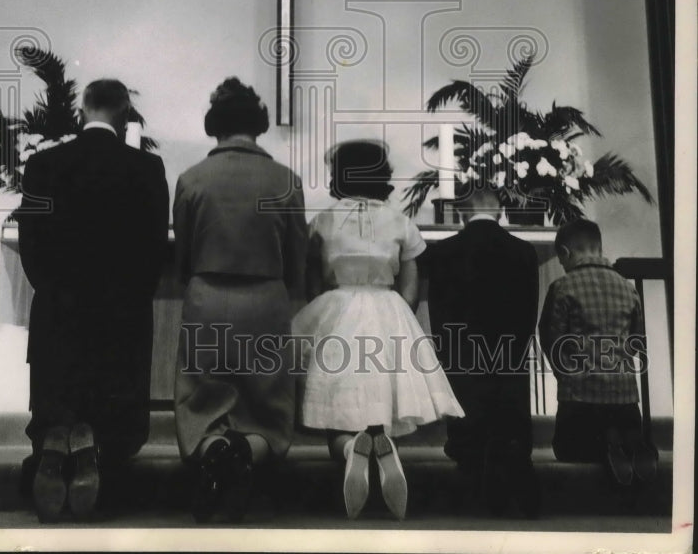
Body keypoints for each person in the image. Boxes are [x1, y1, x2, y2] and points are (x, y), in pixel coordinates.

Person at [16, 79, 170, 522]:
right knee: (114, 397)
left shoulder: (43, 164)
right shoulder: (146, 168)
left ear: (83, 110)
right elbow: (154, 247)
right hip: (120, 313)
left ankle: (55, 438)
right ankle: (97, 450)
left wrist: (51, 291)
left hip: (59, 308)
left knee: (57, 386)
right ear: (126, 117)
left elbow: (30, 243)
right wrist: (134, 300)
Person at [292, 140, 464, 521]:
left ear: (339, 176)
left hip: (335, 308)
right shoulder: (400, 221)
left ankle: (350, 446)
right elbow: (412, 286)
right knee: (383, 395)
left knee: (335, 402)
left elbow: (312, 282)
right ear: (381, 175)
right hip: (387, 307)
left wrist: (322, 313)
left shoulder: (323, 220)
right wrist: (396, 314)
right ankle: (381, 443)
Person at [172, 77, 308, 523]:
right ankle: (246, 453)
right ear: (260, 125)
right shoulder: (285, 180)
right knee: (268, 404)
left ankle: (213, 451)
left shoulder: (192, 178)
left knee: (202, 398)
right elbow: (296, 257)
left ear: (215, 125)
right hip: (266, 298)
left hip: (207, 296)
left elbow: (184, 255)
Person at [426, 183, 540, 516]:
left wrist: (445, 350)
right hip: (509, 350)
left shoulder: (444, 251)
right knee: (509, 413)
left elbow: (439, 309)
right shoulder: (524, 251)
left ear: (461, 213)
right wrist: (518, 347)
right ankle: (514, 470)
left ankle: (472, 474)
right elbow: (528, 309)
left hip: (462, 349)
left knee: (468, 412)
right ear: (501, 211)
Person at [538, 218, 657, 485]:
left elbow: (551, 339)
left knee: (566, 449)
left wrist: (565, 376)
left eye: (561, 261)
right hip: (625, 399)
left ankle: (604, 445)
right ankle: (630, 441)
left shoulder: (562, 287)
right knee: (621, 422)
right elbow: (637, 342)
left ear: (566, 253)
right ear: (599, 247)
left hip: (581, 400)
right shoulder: (628, 288)